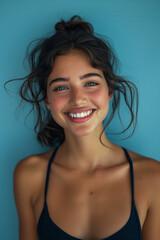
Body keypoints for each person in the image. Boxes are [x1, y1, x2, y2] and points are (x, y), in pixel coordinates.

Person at [13, 15, 160, 240]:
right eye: (61, 87)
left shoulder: (152, 177)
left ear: (109, 91)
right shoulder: (29, 175)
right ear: (47, 100)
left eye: (90, 83)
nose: (78, 99)